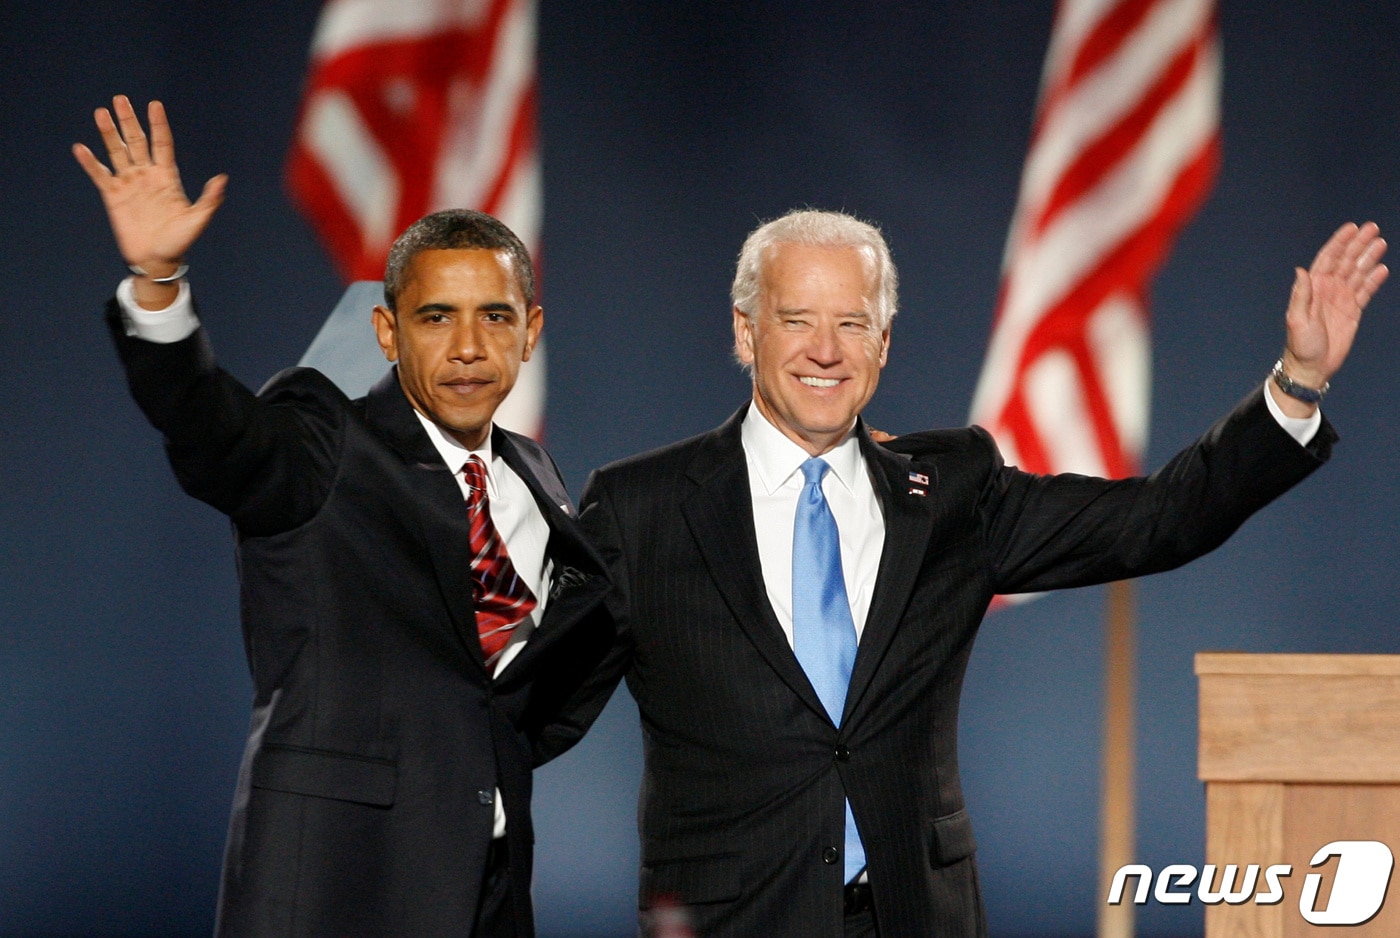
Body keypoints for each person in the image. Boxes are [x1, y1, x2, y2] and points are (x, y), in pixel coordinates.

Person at [534, 208, 1387, 937]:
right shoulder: (643, 507)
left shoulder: (950, 494)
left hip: (917, 912)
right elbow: (534, 707)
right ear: (745, 331)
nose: (826, 350)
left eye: (853, 324)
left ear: (884, 342)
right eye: (797, 320)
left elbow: (1159, 519)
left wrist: (1298, 381)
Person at [75, 96, 611, 937]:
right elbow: (217, 433)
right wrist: (159, 286)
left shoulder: (532, 473)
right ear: (387, 332)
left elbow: (527, 676)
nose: (468, 346)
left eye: (495, 316)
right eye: (436, 317)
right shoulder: (325, 438)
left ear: (530, 331)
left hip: (489, 889)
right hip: (337, 887)